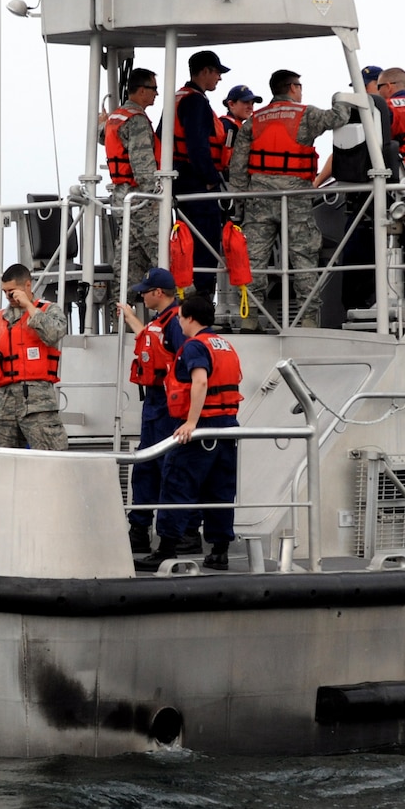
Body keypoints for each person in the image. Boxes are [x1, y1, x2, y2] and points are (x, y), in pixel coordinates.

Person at [229, 68, 348, 331]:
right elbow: (340, 117)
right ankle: (307, 320)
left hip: (259, 199)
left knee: (253, 260)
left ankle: (249, 319)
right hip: (296, 197)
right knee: (304, 257)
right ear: (293, 88)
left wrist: (238, 199)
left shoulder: (254, 121)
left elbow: (237, 167)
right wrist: (341, 98)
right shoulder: (307, 115)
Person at [140, 297, 242, 572]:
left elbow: (200, 380)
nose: (179, 322)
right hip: (227, 429)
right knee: (220, 492)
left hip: (201, 432)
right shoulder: (225, 345)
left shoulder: (195, 346)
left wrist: (191, 423)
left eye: (181, 318)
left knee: (177, 485)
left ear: (190, 319)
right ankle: (219, 552)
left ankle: (166, 549)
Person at [115, 267, 186, 555]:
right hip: (156, 404)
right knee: (145, 468)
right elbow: (150, 341)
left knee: (172, 469)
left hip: (170, 405)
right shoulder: (162, 321)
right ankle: (139, 530)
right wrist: (130, 316)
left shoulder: (178, 323)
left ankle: (181, 533)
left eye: (145, 290)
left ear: (159, 293)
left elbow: (186, 362)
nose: (141, 294)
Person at [0, 264, 69, 450]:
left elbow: (54, 333)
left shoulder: (49, 310)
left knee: (52, 457)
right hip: (3, 405)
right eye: (5, 292)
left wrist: (29, 307)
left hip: (37, 403)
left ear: (27, 286)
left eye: (12, 291)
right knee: (5, 462)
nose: (8, 296)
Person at [327, 66, 400, 316]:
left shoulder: (384, 111)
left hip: (385, 196)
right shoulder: (362, 113)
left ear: (382, 87)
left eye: (369, 84)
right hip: (363, 196)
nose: (361, 89)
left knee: (374, 249)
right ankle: (359, 306)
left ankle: (374, 304)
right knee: (358, 254)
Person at [103, 67, 164, 327]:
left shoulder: (116, 117)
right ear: (141, 91)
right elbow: (144, 168)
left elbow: (104, 138)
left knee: (127, 260)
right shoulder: (137, 120)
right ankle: (174, 315)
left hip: (121, 197)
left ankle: (120, 319)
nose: (156, 94)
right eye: (153, 89)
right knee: (162, 255)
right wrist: (156, 198)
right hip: (139, 199)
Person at [171, 50, 232, 307]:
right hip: (194, 180)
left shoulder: (179, 98)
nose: (219, 78)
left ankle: (190, 296)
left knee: (188, 240)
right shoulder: (195, 102)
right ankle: (203, 301)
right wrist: (209, 179)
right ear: (205, 71)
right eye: (217, 72)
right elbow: (197, 145)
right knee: (205, 241)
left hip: (179, 177)